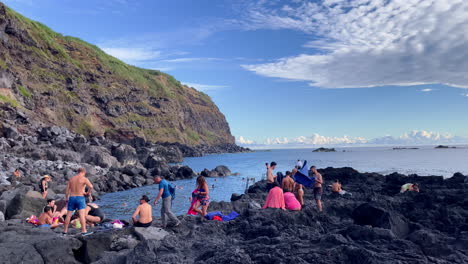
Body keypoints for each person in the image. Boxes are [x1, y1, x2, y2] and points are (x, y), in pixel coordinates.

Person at [63, 168, 93, 235]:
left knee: (68, 215)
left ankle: (65, 231)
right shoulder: (84, 179)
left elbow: (67, 190)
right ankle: (84, 231)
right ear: (84, 172)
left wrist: (66, 198)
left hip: (72, 197)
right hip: (80, 197)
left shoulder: (71, 179)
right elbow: (91, 186)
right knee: (82, 215)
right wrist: (88, 192)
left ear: (78, 172)